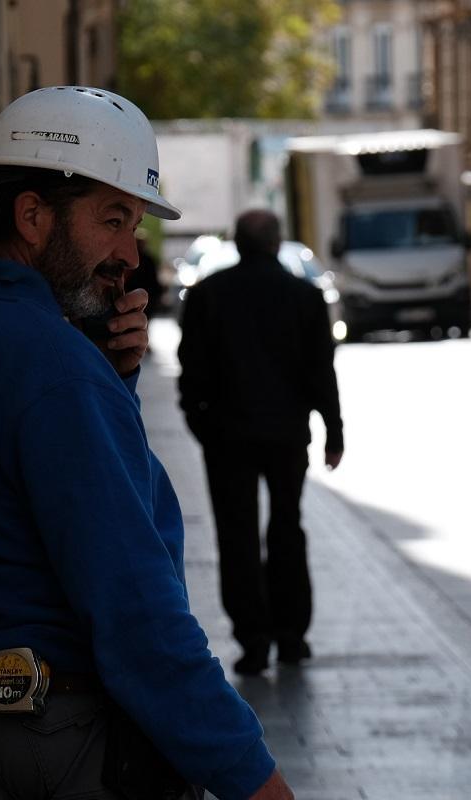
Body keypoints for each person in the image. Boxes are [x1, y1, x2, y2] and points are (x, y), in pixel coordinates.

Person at [0, 86, 292, 800]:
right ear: (33, 216)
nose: (129, 254)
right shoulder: (58, 371)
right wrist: (254, 779)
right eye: (112, 220)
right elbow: (136, 611)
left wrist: (112, 383)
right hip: (62, 744)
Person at [178, 209, 344, 676]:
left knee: (237, 536)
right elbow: (321, 371)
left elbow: (191, 368)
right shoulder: (305, 297)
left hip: (227, 436)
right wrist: (333, 430)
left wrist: (200, 424)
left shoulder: (209, 294)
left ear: (236, 243)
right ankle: (292, 634)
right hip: (287, 432)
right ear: (276, 242)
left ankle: (252, 639)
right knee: (287, 527)